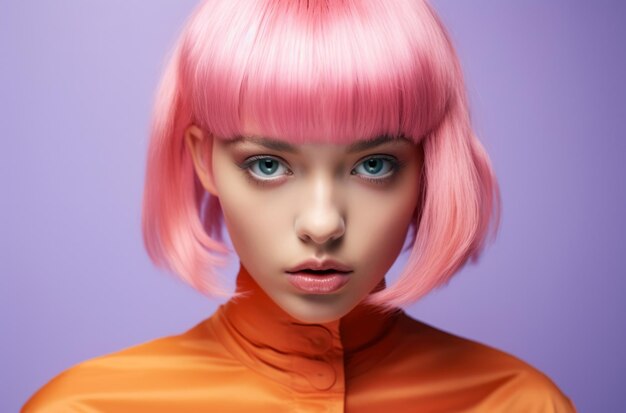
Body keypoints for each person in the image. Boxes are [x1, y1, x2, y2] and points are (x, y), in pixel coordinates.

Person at [23, 0, 576, 411]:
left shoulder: (517, 404)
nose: (321, 225)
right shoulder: (83, 408)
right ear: (203, 160)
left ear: (430, 165)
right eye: (267, 165)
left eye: (374, 165)